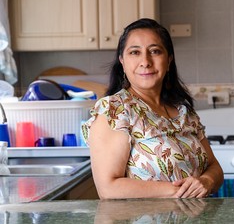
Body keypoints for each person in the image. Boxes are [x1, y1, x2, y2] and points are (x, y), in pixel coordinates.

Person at [82, 18, 224, 199]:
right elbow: (108, 188)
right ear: (122, 62)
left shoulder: (183, 112)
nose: (145, 61)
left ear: (169, 60)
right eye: (135, 52)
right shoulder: (114, 110)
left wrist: (207, 181)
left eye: (155, 51)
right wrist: (179, 192)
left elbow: (214, 167)